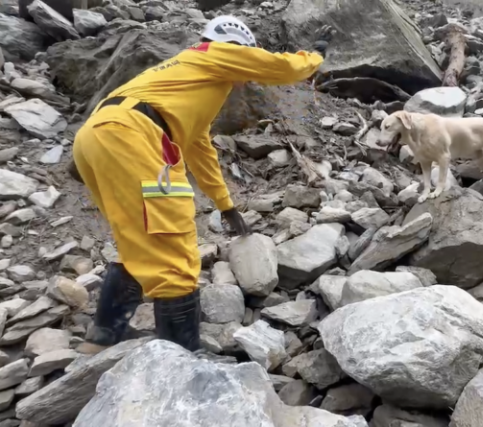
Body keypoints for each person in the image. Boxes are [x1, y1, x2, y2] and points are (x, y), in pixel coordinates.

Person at [72, 15, 333, 354]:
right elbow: (281, 67)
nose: (244, 79)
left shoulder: (186, 82)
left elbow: (200, 150)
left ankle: (101, 340)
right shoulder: (214, 52)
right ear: (237, 47)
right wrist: (315, 56)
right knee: (175, 253)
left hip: (95, 137)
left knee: (139, 242)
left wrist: (226, 205)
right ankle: (181, 363)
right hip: (135, 135)